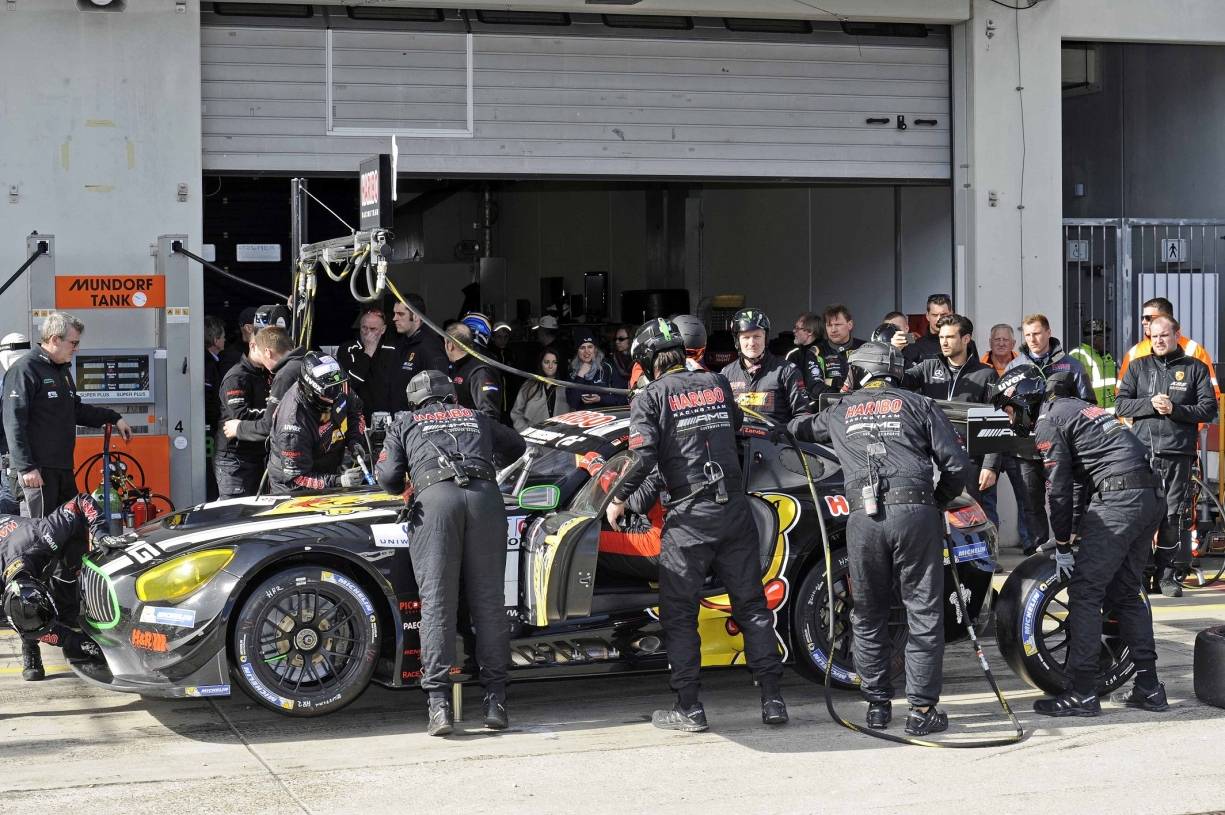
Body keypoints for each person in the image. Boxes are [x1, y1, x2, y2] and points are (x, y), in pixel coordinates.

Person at [606, 318, 786, 732]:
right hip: (734, 511)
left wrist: (617, 500)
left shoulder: (650, 396)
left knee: (679, 615)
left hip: (689, 518)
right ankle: (773, 699)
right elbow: (735, 428)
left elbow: (643, 458)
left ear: (649, 360)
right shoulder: (718, 382)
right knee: (752, 607)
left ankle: (689, 708)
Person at [788, 342, 971, 736]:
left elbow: (798, 429)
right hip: (915, 512)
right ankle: (921, 712)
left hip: (863, 519)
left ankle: (876, 706)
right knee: (923, 612)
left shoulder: (840, 410)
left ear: (860, 372)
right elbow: (958, 466)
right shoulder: (920, 404)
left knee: (868, 612)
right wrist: (937, 502)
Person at [994, 366, 1169, 717]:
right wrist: (1067, 534)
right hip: (1151, 495)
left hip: (1120, 498)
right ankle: (1149, 688)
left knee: (1085, 592)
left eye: (1009, 409)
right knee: (1126, 591)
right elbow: (1077, 481)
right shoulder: (1076, 408)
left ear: (1023, 399)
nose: (1010, 418)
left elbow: (1057, 489)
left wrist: (1061, 545)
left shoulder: (1048, 420)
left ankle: (1083, 693)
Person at [376, 370, 526, 736]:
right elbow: (517, 446)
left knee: (437, 604)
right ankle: (496, 702)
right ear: (452, 396)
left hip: (436, 501)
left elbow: (389, 479)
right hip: (485, 499)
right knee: (489, 603)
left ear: (414, 402)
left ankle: (439, 706)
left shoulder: (405, 422)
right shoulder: (475, 416)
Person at [1115, 315, 1216, 597]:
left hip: (1177, 453)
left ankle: (1166, 575)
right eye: (1154, 336)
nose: (1158, 340)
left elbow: (1209, 409)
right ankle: (1141, 572)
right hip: (1142, 454)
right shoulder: (1138, 366)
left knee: (1172, 515)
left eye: (1164, 335)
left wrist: (1175, 409)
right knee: (1141, 515)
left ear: (1176, 335)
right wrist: (1149, 404)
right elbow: (1121, 405)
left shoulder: (1195, 368)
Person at [3, 312, 134, 517]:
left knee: (73, 528)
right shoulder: (24, 369)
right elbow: (13, 423)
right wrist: (26, 467)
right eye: (73, 343)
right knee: (41, 533)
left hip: (62, 468)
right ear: (55, 339)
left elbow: (75, 410)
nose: (76, 348)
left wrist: (113, 417)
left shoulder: (62, 370)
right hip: (37, 472)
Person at [1, 493, 119, 680]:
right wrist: (75, 642)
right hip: (12, 561)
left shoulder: (45, 534)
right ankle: (30, 647)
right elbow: (17, 616)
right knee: (22, 613)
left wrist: (102, 535)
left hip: (29, 544)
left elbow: (81, 501)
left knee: (70, 576)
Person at [900, 314, 1002, 526]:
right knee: (931, 516)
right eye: (941, 337)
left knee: (973, 520)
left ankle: (982, 551)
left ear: (966, 339)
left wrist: (990, 466)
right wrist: (894, 351)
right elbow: (897, 381)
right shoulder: (928, 367)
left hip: (969, 461)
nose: (944, 342)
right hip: (930, 458)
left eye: (950, 337)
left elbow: (996, 421)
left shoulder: (986, 374)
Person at [1005, 314, 1095, 552]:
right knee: (1031, 502)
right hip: (1026, 446)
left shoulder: (1071, 365)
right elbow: (1004, 407)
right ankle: (1039, 553)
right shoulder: (1014, 367)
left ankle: (1067, 547)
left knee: (1064, 497)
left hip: (1061, 446)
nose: (1032, 339)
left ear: (1048, 332)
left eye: (1036, 333)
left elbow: (1088, 405)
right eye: (1027, 335)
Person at [267, 353, 367, 495]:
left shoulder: (337, 385)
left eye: (339, 386)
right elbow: (296, 480)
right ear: (311, 391)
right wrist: (339, 481)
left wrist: (355, 441)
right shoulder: (293, 423)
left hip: (328, 464)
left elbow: (355, 411)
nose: (337, 395)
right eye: (329, 391)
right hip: (295, 487)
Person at [979, 323, 1031, 550]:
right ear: (990, 342)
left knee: (1026, 493)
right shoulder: (979, 369)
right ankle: (991, 548)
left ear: (1013, 343)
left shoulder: (1025, 367)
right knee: (987, 498)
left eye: (1005, 340)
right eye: (996, 339)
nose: (1001, 343)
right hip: (989, 440)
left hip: (1017, 439)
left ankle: (1030, 543)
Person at [222, 326, 306, 450]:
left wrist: (239, 429)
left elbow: (271, 423)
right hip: (237, 452)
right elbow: (239, 414)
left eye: (262, 354)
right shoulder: (306, 363)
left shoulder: (285, 374)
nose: (262, 359)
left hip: (294, 447)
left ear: (267, 352)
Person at [1118, 297, 1220, 397]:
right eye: (1142, 318)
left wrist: (1174, 407)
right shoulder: (1135, 352)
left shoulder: (1193, 350)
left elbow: (1211, 397)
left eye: (1148, 318)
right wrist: (1149, 404)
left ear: (1166, 317)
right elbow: (1121, 395)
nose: (1143, 322)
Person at [720, 308, 807, 423]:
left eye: (757, 336)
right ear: (737, 341)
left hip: (775, 434)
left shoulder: (787, 371)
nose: (752, 343)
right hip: (739, 434)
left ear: (765, 338)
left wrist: (785, 429)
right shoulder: (726, 374)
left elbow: (803, 416)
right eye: (746, 337)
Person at [215, 329, 270, 498]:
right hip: (234, 460)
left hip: (257, 455)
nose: (269, 354)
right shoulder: (236, 377)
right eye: (266, 349)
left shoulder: (266, 374)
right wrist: (275, 413)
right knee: (236, 511)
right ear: (253, 346)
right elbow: (240, 416)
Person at [337, 307, 399, 421]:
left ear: (383, 329)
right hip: (356, 416)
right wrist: (368, 352)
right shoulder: (348, 348)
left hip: (387, 415)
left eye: (373, 329)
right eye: (364, 327)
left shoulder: (393, 349)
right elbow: (349, 384)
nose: (368, 332)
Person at [390, 294, 449, 413]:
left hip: (419, 419)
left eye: (400, 314)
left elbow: (438, 391)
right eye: (394, 313)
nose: (394, 318)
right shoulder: (402, 342)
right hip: (400, 418)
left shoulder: (430, 346)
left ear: (416, 317)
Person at [444, 323, 504, 421]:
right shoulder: (457, 366)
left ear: (449, 344)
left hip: (475, 430)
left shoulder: (480, 372)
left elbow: (489, 416)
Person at [0, 332, 30, 516]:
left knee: (10, 511)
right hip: (32, 464)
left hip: (13, 463)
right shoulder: (39, 380)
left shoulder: (7, 384)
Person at [566, 329, 626, 410]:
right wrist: (580, 375)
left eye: (590, 347)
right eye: (582, 348)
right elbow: (572, 403)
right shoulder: (572, 371)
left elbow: (623, 398)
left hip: (606, 416)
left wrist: (600, 399)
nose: (587, 351)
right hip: (583, 416)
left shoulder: (607, 368)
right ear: (577, 351)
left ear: (595, 349)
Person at [910, 294, 979, 364]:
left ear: (951, 314)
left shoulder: (965, 342)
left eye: (943, 315)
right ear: (927, 316)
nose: (939, 319)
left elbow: (975, 369)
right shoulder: (916, 346)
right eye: (934, 315)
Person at [510, 348, 566, 431]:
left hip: (559, 435)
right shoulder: (530, 385)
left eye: (554, 362)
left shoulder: (565, 387)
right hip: (534, 435)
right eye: (546, 362)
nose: (550, 366)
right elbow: (516, 412)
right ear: (541, 363)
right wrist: (525, 431)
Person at [1068, 319, 1118, 409]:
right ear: (1094, 339)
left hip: (1112, 414)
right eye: (1106, 338)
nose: (1108, 341)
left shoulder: (1106, 356)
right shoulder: (1077, 355)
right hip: (1092, 414)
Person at [203, 315, 226, 501]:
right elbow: (208, 399)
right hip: (208, 429)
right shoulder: (207, 364)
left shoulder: (209, 362)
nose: (225, 340)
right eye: (223, 337)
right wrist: (217, 420)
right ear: (216, 340)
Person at [786, 312, 829, 410]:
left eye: (797, 328)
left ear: (810, 331)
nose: (793, 331)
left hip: (826, 407)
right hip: (800, 408)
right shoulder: (793, 355)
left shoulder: (829, 351)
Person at [819, 304, 865, 391]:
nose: (833, 330)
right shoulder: (817, 351)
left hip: (860, 398)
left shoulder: (864, 348)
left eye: (838, 324)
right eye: (829, 325)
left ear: (850, 325)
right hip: (830, 399)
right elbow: (815, 387)